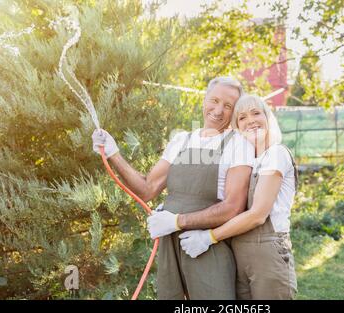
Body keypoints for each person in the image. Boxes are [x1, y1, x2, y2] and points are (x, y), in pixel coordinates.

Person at [92, 77, 255, 300]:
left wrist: (177, 221)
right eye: (214, 101)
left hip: (206, 245)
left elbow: (233, 208)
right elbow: (148, 189)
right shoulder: (182, 141)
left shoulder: (238, 145)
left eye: (228, 106)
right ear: (204, 100)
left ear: (236, 111)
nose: (218, 110)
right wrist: (113, 153)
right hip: (171, 245)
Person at [179, 94, 298, 299]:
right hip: (238, 251)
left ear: (268, 117)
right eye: (242, 117)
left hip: (268, 252)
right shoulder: (248, 162)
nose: (250, 120)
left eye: (256, 113)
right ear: (236, 127)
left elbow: (258, 215)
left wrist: (209, 237)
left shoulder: (276, 154)